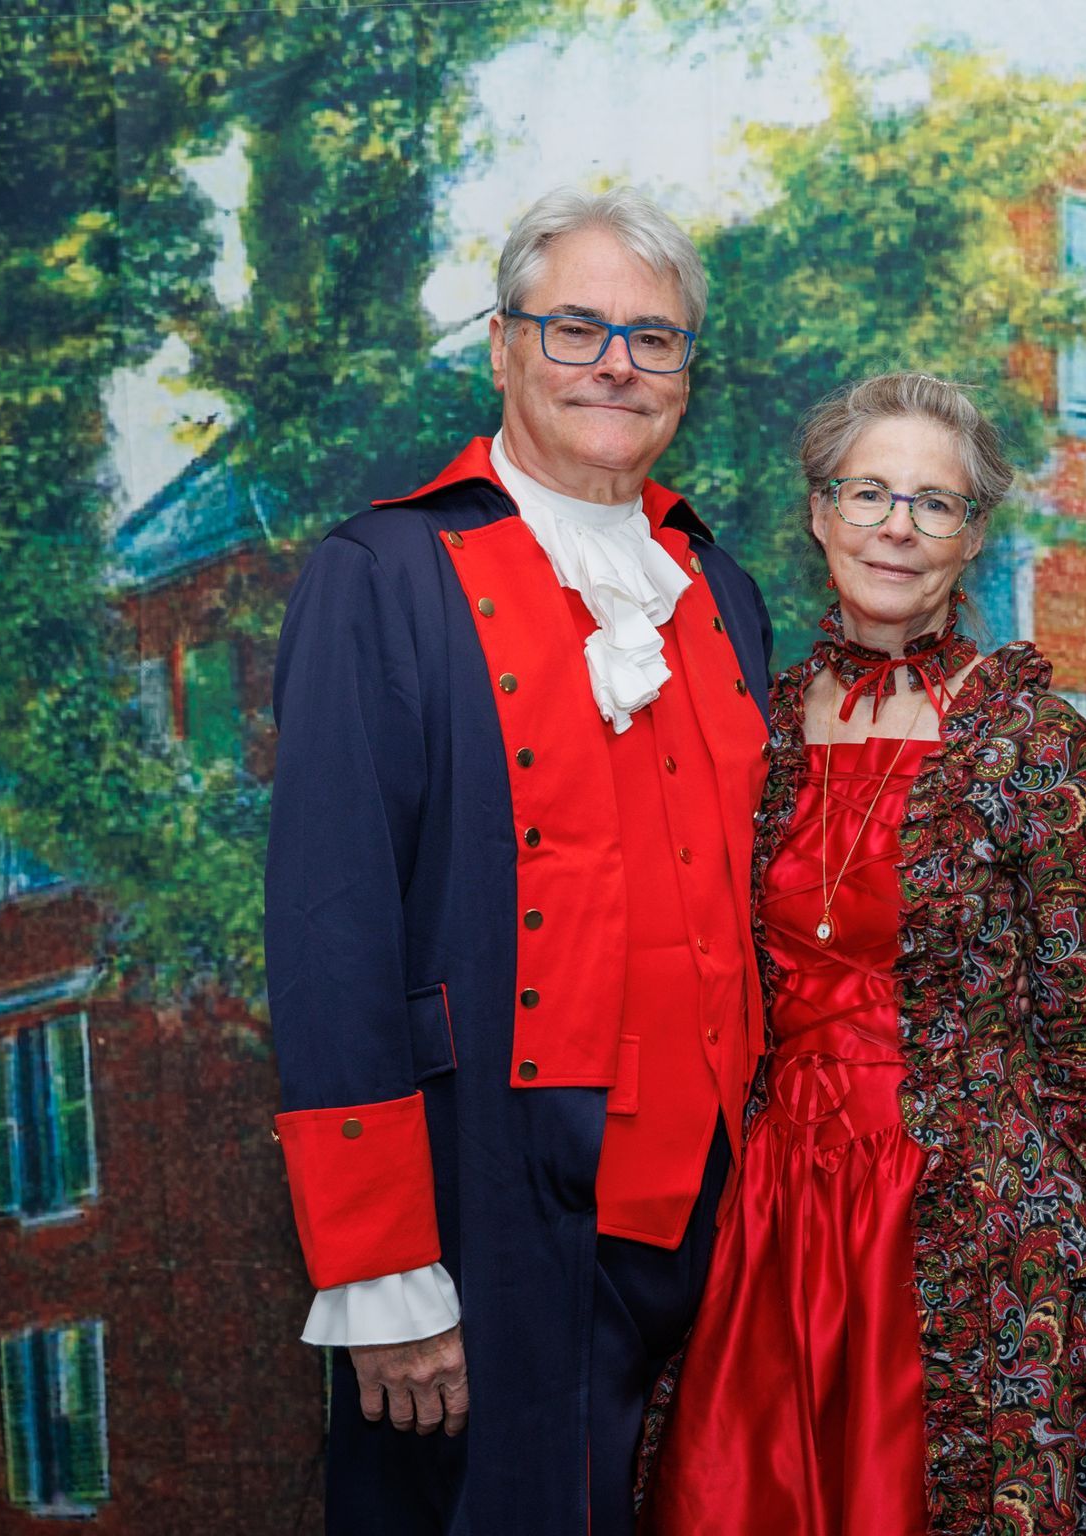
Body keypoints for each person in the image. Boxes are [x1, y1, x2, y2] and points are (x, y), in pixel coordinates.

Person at [264, 186, 772, 1535]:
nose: (617, 364)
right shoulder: (384, 572)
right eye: (576, 327)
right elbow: (328, 933)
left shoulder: (720, 590)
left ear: (688, 372)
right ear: (502, 348)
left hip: (716, 1224)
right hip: (482, 1202)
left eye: (654, 339)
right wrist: (383, 1274)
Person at [641, 373, 1086, 1535]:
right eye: (869, 494)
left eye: (934, 504)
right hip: (775, 1218)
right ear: (819, 513)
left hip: (976, 1227)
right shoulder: (753, 728)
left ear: (972, 535)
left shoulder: (1034, 744)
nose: (896, 528)